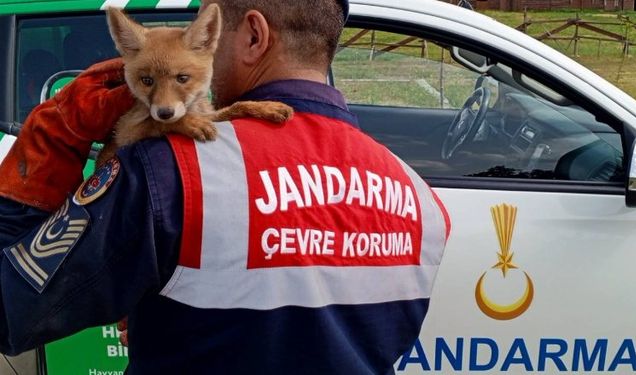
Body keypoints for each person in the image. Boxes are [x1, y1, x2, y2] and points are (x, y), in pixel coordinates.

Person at [0, 0, 450, 373]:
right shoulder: (419, 197)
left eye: (218, 37)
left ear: (254, 36)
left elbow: (9, 310)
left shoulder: (167, 172)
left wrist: (52, 140)